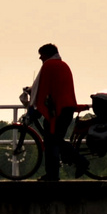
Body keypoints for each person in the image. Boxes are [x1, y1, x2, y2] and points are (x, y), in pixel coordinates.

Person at [24, 43, 78, 182]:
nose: (40, 57)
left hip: (58, 110)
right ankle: (69, 165)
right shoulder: (63, 65)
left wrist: (32, 96)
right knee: (55, 139)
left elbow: (41, 88)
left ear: (47, 54)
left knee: (51, 141)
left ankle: (54, 174)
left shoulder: (48, 65)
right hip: (67, 107)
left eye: (41, 54)